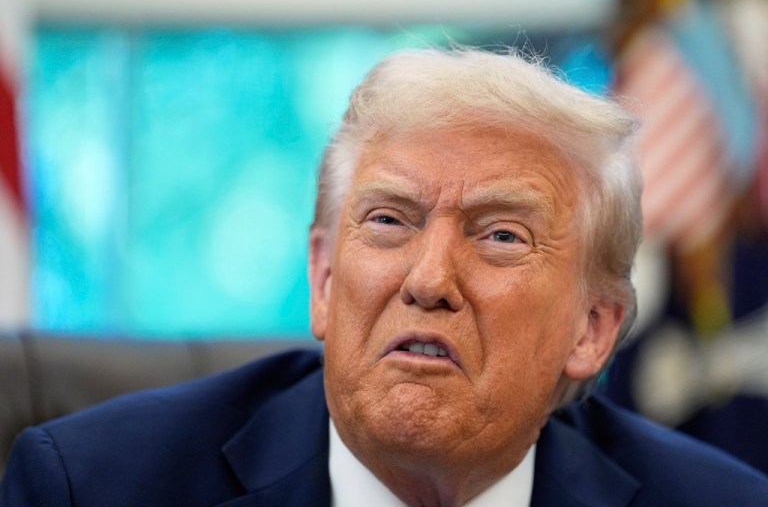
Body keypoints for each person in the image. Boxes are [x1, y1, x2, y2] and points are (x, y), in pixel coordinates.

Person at [2, 47, 767, 507]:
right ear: (326, 277)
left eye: (500, 235)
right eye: (389, 221)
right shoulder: (92, 489)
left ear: (592, 328)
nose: (429, 279)